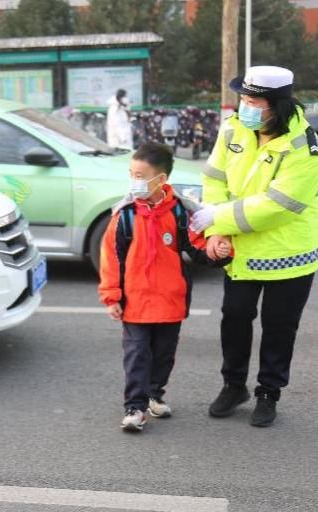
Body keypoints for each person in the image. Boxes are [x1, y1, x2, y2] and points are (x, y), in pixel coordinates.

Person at [190, 66, 318, 427]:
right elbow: (214, 177)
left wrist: (220, 218)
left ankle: (269, 392)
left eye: (253, 101)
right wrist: (215, 228)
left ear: (277, 105)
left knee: (279, 325)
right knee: (234, 316)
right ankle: (234, 385)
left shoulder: (304, 146)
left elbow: (280, 205)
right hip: (241, 246)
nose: (244, 107)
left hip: (289, 251)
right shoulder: (234, 127)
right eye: (243, 99)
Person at [98, 142, 232, 433]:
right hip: (135, 303)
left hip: (171, 301)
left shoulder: (181, 213)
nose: (134, 181)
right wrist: (112, 296)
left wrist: (217, 251)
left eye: (140, 175)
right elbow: (111, 258)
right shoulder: (125, 216)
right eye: (131, 173)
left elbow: (197, 247)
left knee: (164, 354)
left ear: (161, 180)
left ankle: (154, 395)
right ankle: (134, 407)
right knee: (137, 354)